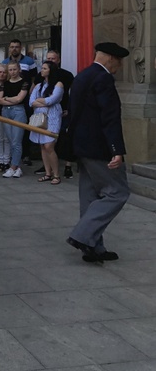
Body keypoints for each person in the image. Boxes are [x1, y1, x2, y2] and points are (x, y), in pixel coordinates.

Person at [66, 42, 131, 263]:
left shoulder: (83, 75)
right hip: (99, 148)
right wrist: (117, 150)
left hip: (82, 146)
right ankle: (83, 236)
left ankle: (94, 247)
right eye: (119, 61)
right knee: (117, 192)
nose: (120, 66)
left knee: (90, 195)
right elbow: (109, 118)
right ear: (110, 58)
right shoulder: (103, 79)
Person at [34, 50, 75, 179]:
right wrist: (41, 102)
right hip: (43, 114)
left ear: (58, 60)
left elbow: (70, 94)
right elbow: (32, 98)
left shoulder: (66, 76)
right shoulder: (40, 78)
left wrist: (69, 108)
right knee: (45, 144)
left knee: (63, 138)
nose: (50, 60)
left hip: (62, 111)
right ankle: (48, 170)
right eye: (48, 58)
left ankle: (67, 166)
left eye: (53, 58)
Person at [1, 39, 37, 166]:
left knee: (24, 128)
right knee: (10, 134)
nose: (14, 49)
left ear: (20, 48)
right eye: (12, 47)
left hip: (24, 97)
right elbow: (2, 79)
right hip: (9, 99)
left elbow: (34, 79)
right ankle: (13, 158)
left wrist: (30, 92)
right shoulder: (5, 62)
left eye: (16, 47)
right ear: (9, 48)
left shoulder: (29, 61)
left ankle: (25, 154)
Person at [29, 61, 64, 185]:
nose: (41, 70)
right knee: (43, 145)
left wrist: (40, 100)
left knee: (49, 145)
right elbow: (31, 101)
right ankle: (48, 173)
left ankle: (56, 174)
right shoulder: (39, 85)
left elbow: (52, 100)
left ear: (50, 70)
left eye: (44, 68)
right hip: (40, 116)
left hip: (53, 116)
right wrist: (41, 101)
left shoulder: (58, 84)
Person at [0, 61, 29, 178]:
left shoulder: (24, 82)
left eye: (14, 69)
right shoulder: (5, 84)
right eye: (10, 70)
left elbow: (19, 99)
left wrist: (6, 98)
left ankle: (13, 167)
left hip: (18, 111)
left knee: (16, 140)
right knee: (11, 141)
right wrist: (9, 99)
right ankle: (17, 167)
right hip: (6, 111)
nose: (12, 72)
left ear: (19, 69)